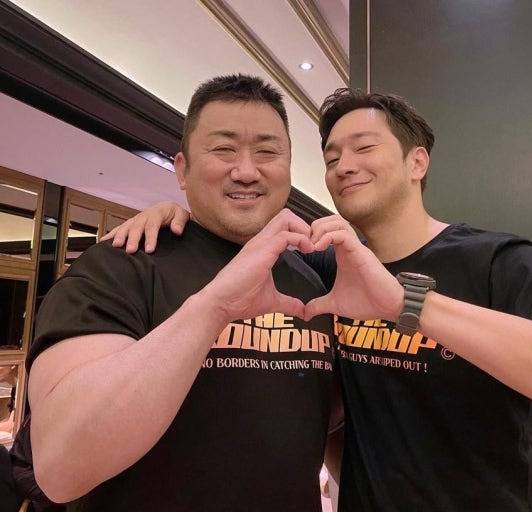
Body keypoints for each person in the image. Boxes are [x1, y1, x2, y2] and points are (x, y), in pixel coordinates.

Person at [107, 86, 532, 511]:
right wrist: (175, 219)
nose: (344, 166)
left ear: (417, 161)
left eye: (364, 148)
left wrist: (409, 304)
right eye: (331, 158)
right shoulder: (328, 270)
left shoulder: (497, 260)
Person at [26, 74, 340, 512]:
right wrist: (213, 307)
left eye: (267, 152)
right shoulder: (121, 266)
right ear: (181, 168)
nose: (246, 171)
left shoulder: (311, 280)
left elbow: (325, 427)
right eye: (223, 149)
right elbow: (61, 468)